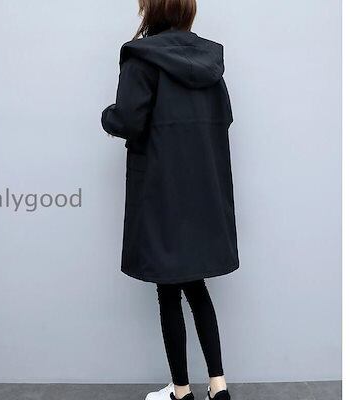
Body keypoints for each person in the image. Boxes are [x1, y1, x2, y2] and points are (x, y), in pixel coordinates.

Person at [101, 1, 239, 399]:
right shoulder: (211, 62)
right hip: (202, 190)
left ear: (152, 11)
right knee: (196, 286)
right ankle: (218, 387)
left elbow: (128, 119)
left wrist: (108, 116)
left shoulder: (140, 57)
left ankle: (181, 391)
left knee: (168, 290)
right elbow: (224, 119)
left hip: (161, 190)